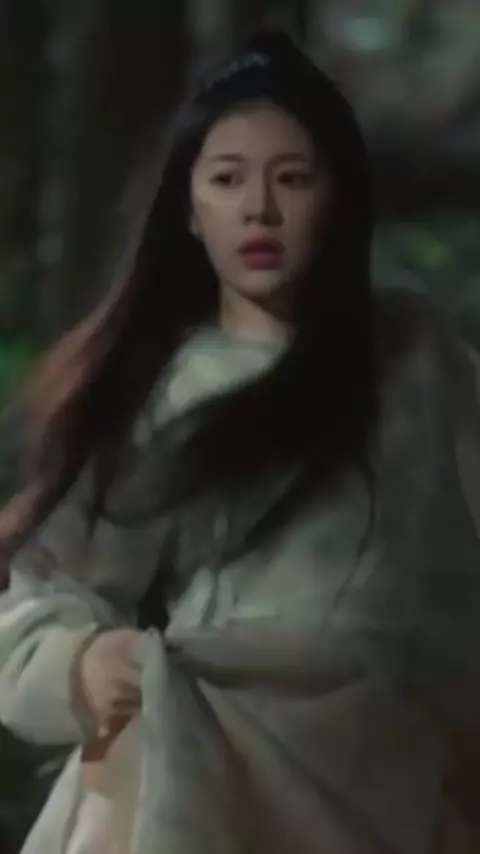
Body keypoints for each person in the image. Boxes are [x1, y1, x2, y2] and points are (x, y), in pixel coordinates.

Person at [0, 28, 479, 854]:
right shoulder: (157, 385)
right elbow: (41, 580)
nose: (260, 209)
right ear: (189, 210)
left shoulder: (417, 359)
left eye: (293, 178)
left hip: (388, 767)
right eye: (227, 180)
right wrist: (84, 663)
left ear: (339, 197)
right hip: (209, 757)